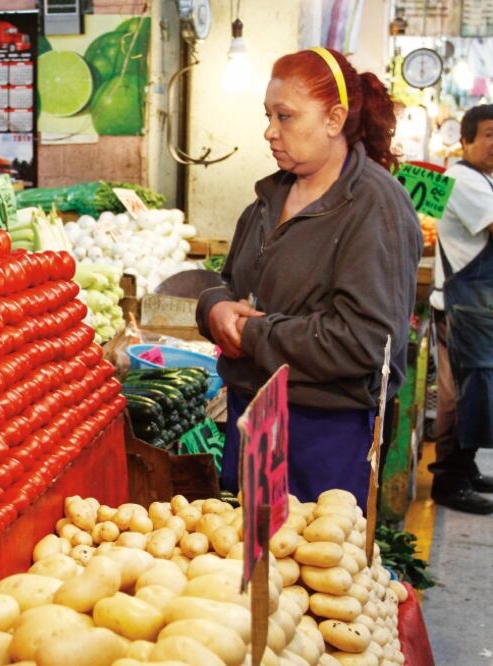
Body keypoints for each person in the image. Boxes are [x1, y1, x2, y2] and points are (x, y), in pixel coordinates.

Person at [195, 47, 423, 509]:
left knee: (312, 552)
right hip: (252, 417)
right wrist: (214, 308)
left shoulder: (374, 208)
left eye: (285, 117)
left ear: (334, 119)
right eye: (268, 116)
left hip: (322, 434)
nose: (269, 131)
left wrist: (253, 334)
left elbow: (366, 339)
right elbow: (230, 282)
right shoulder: (269, 198)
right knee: (247, 549)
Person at [428, 104, 493, 514]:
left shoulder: (482, 179)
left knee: (476, 391)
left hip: (475, 307)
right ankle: (449, 482)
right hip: (464, 309)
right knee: (462, 396)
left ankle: (464, 469)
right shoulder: (464, 180)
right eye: (488, 135)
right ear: (465, 140)